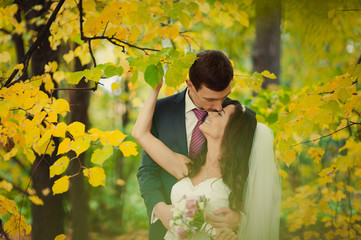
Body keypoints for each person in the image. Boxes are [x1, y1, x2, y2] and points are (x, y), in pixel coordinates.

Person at [135, 50, 281, 239]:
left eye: (225, 96)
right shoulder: (187, 164)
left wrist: (241, 220)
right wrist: (161, 210)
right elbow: (146, 165)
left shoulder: (239, 119)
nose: (218, 107)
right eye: (211, 99)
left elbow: (255, 187)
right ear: (190, 85)